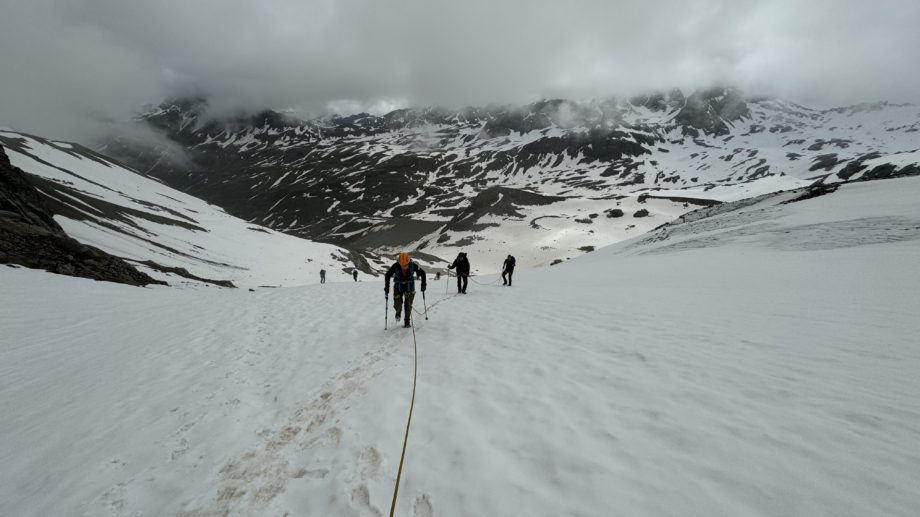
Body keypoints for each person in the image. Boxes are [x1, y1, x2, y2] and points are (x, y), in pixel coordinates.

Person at [385, 252, 427, 328]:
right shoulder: (395, 266)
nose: (404, 266)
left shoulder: (413, 265)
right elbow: (388, 275)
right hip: (398, 286)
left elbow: (423, 273)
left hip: (409, 286)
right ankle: (398, 312)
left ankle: (407, 321)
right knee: (397, 303)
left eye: (406, 265)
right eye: (402, 265)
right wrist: (387, 287)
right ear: (399, 262)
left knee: (408, 304)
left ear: (408, 262)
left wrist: (423, 284)